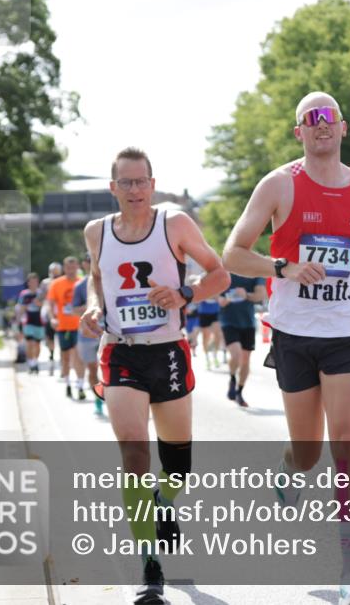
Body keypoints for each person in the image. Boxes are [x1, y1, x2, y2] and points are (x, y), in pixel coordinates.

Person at [222, 91, 350, 605]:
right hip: (293, 335)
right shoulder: (279, 184)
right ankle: (290, 470)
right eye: (310, 120)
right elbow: (232, 254)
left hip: (348, 333)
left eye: (328, 119)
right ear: (299, 132)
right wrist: (282, 267)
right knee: (309, 452)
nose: (320, 127)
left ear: (343, 127)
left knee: (346, 446)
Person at [80, 147, 230, 605]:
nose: (134, 190)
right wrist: (92, 305)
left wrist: (184, 293)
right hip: (122, 352)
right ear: (113, 188)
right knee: (133, 452)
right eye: (125, 183)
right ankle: (150, 564)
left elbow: (219, 275)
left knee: (178, 467)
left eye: (141, 181)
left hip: (168, 351)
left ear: (153, 183)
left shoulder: (175, 224)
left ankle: (163, 503)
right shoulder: (97, 232)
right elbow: (97, 277)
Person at [217, 273, 267, 407]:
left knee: (245, 359)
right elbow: (217, 296)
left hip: (248, 323)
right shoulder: (226, 271)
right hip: (228, 321)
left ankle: (239, 391)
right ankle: (232, 377)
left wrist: (246, 295)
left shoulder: (255, 272)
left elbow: (261, 295)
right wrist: (224, 299)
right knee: (236, 354)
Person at [47, 256, 86, 400]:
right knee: (65, 358)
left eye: (73, 267)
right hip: (63, 326)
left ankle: (80, 385)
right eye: (68, 268)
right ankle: (68, 384)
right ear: (64, 268)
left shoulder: (82, 283)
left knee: (78, 356)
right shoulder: (57, 284)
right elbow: (50, 303)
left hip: (79, 326)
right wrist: (52, 318)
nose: (71, 271)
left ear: (77, 267)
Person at [71, 264, 104, 417]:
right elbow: (74, 309)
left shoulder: (114, 279)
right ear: (84, 264)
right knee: (92, 369)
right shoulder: (80, 286)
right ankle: (98, 401)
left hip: (111, 332)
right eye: (89, 260)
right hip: (89, 333)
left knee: (114, 367)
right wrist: (92, 306)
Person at [17, 273, 45, 374]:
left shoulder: (41, 293)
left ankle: (35, 361)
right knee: (30, 343)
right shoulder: (24, 294)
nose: (33, 283)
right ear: (28, 283)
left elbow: (46, 306)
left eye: (35, 281)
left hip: (39, 321)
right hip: (28, 321)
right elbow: (20, 308)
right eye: (31, 281)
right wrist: (18, 322)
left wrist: (40, 304)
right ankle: (30, 363)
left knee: (37, 344)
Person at [40, 261, 62, 375]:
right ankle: (51, 357)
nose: (55, 275)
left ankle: (63, 363)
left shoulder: (64, 281)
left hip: (62, 314)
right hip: (49, 314)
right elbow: (41, 297)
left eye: (57, 273)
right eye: (53, 273)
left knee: (62, 338)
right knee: (50, 337)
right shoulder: (45, 283)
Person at [196, 293, 223, 369]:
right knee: (205, 337)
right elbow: (197, 298)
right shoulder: (200, 281)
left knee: (218, 335)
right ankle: (207, 359)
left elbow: (219, 296)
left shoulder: (218, 283)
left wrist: (213, 296)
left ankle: (215, 356)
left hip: (215, 312)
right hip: (204, 313)